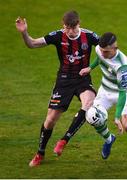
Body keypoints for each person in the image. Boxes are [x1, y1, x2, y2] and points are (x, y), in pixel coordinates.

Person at [15, 10, 99, 167]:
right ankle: (40, 153)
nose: (70, 31)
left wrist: (121, 58)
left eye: (73, 28)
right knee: (50, 120)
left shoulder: (89, 36)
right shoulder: (58, 36)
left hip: (83, 79)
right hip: (64, 81)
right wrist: (24, 33)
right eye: (67, 27)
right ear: (64, 26)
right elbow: (32, 44)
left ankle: (63, 140)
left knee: (89, 103)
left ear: (79, 24)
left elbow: (107, 48)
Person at [79, 32, 127, 177]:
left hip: (124, 93)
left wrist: (117, 117)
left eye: (106, 51)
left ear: (115, 48)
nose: (103, 53)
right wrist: (90, 68)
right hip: (105, 91)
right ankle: (109, 138)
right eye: (102, 50)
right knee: (92, 116)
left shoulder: (122, 66)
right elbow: (100, 58)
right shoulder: (100, 49)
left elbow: (122, 93)